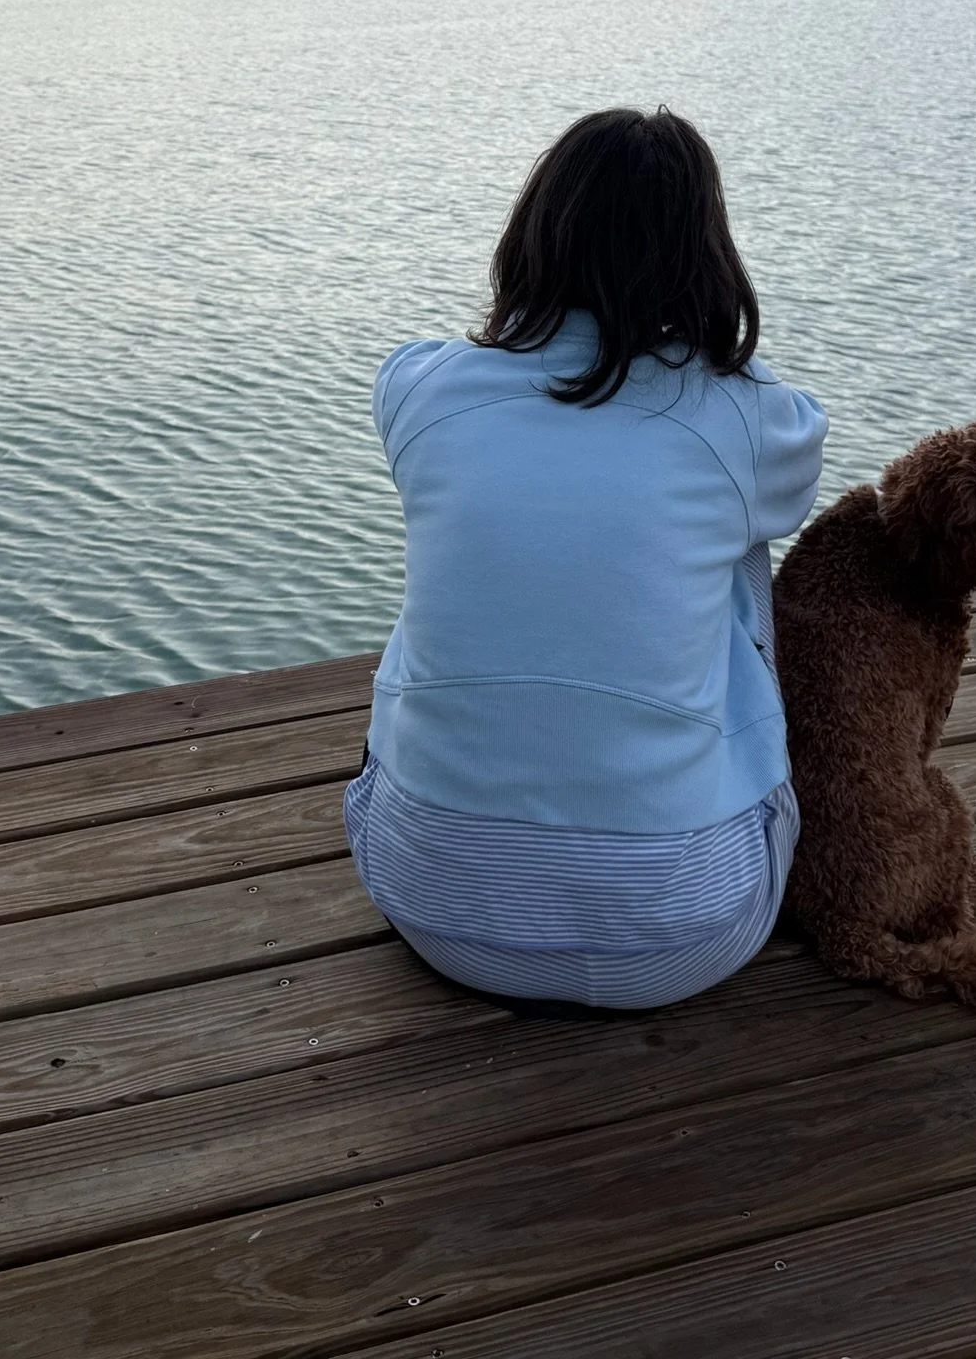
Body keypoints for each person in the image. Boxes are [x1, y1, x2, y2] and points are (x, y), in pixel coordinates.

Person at [344, 106, 828, 1008]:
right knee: (734, 545)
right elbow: (794, 463)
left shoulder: (419, 388)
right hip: (684, 929)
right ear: (706, 255)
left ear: (531, 236)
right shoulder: (748, 418)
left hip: (431, 900)